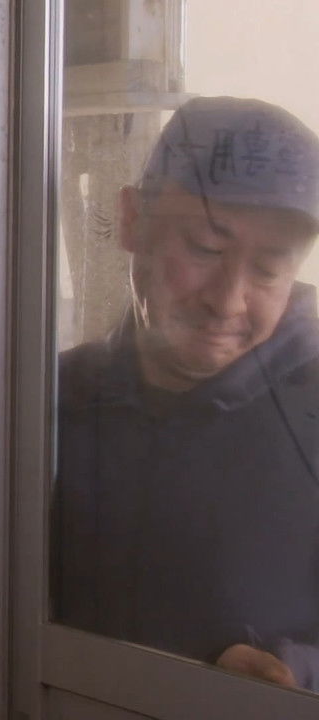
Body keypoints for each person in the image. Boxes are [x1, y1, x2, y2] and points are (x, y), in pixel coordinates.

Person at [53, 96, 319, 691]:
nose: (227, 301)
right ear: (131, 220)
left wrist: (298, 675)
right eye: (205, 248)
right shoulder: (48, 399)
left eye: (268, 268)